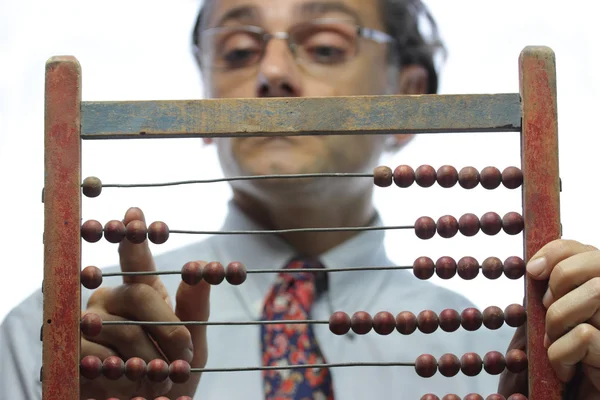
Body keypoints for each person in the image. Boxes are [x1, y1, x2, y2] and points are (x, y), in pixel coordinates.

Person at [1, 0, 599, 399]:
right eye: (238, 51)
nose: (274, 72)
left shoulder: (517, 357)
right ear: (205, 100)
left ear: (408, 95)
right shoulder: (70, 338)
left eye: (327, 45)